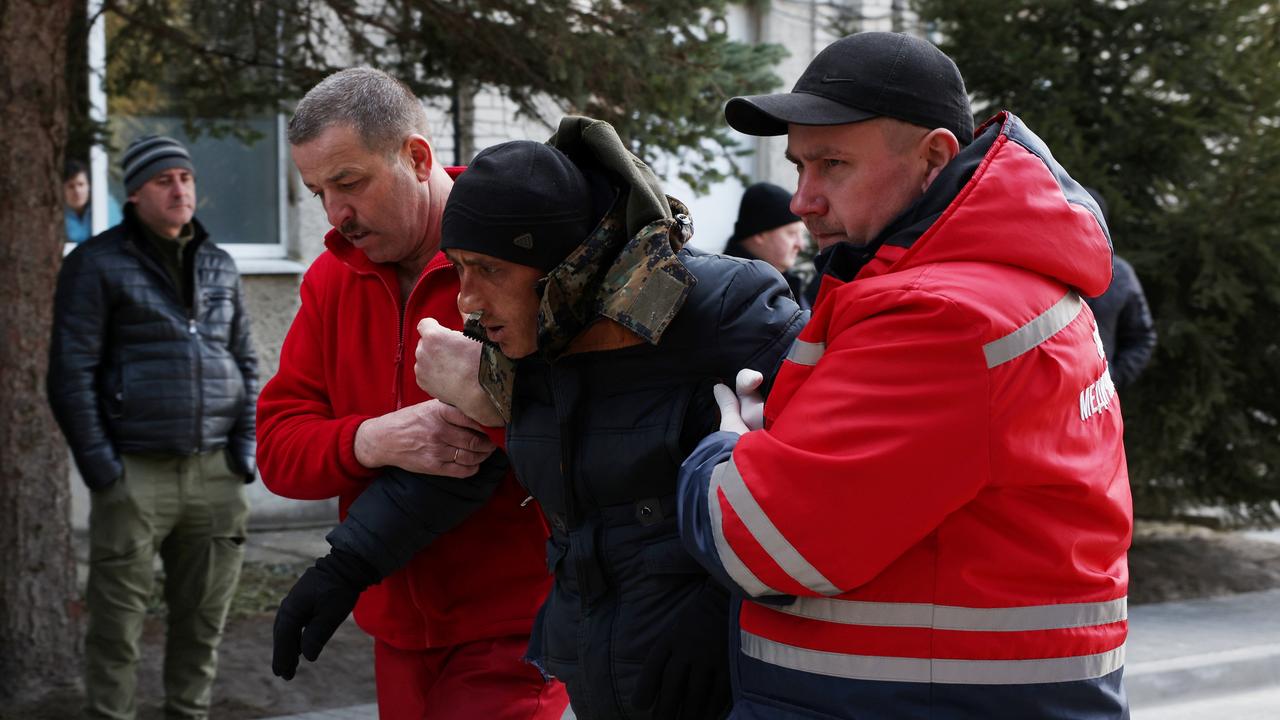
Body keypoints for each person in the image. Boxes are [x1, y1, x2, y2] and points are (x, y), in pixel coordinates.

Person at [676, 32, 1132, 719]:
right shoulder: (1007, 280)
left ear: (934, 157)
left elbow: (762, 543)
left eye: (833, 164)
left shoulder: (940, 313)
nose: (803, 199)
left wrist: (725, 447)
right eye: (800, 165)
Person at [298, 119, 806, 719]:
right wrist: (345, 565)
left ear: (562, 262)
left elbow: (814, 488)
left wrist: (717, 612)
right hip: (599, 665)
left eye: (488, 269)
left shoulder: (722, 310)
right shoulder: (539, 332)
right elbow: (472, 459)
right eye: (458, 267)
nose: (466, 298)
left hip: (724, 678)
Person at [255, 68, 565, 720]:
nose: (336, 215)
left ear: (417, 158)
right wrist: (372, 440)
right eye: (317, 193)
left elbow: (565, 428)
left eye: (349, 183)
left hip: (514, 626)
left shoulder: (518, 254)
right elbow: (278, 449)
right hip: (392, 628)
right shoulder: (329, 281)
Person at [48, 135, 258, 720]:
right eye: (164, 180)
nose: (179, 189)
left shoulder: (217, 262)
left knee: (204, 622)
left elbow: (246, 361)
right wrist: (104, 471)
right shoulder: (95, 263)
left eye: (186, 179)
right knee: (115, 628)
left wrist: (243, 451)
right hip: (134, 475)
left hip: (216, 475)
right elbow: (71, 374)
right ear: (135, 192)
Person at [1083, 187, 1157, 389]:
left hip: (1099, 402)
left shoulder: (1122, 275)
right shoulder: (1046, 268)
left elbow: (1141, 337)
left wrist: (1112, 380)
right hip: (1048, 400)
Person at [722, 182, 812, 309]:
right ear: (759, 234)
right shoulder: (733, 293)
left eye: (801, 234)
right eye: (792, 234)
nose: (800, 245)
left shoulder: (781, 283)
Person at [63, 158, 122, 243]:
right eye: (71, 186)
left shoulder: (105, 206)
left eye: (81, 184)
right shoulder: (58, 214)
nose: (77, 191)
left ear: (89, 186)